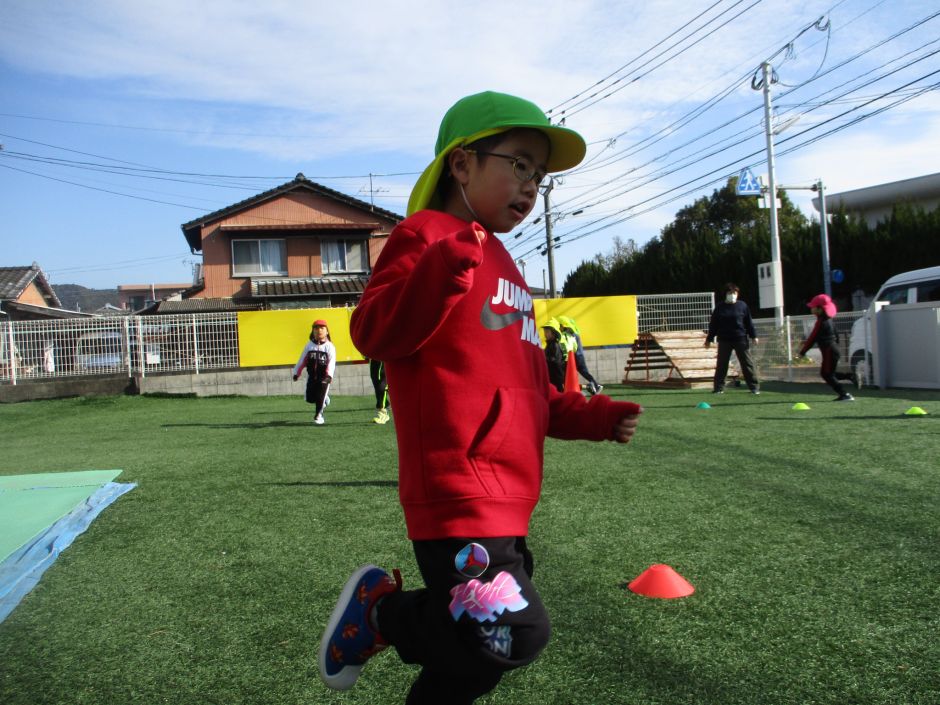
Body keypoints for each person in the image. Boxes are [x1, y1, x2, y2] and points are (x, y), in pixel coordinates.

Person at [319, 91, 643, 705]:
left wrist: (594, 416)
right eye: (519, 164)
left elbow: (530, 392)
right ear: (462, 164)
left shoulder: (507, 264)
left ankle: (387, 622)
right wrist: (439, 271)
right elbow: (373, 332)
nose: (531, 185)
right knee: (514, 633)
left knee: (475, 662)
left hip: (508, 497)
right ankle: (381, 615)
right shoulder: (425, 235)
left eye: (539, 175)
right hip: (457, 489)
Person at [797, 293, 859, 401]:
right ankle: (849, 376)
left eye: (813, 307)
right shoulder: (829, 320)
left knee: (826, 374)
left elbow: (812, 338)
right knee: (829, 373)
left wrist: (802, 352)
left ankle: (845, 394)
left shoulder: (821, 322)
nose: (811, 308)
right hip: (833, 349)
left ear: (820, 309)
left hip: (829, 350)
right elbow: (836, 334)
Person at [704, 282, 760, 394]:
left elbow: (748, 322)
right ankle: (718, 388)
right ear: (725, 294)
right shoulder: (719, 307)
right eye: (730, 293)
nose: (732, 295)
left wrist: (754, 336)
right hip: (724, 339)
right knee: (722, 364)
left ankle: (754, 387)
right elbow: (714, 324)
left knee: (747, 363)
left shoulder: (742, 306)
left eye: (735, 293)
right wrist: (709, 339)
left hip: (740, 338)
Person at [292, 319, 335, 424]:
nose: (319, 330)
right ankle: (325, 399)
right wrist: (297, 373)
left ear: (327, 331)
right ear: (313, 331)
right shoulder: (309, 345)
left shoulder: (329, 347)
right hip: (311, 376)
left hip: (324, 377)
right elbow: (302, 360)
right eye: (316, 328)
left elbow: (331, 363)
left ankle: (319, 415)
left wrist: (329, 376)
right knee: (310, 398)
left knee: (320, 396)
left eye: (322, 328)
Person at [558, 315, 602, 394]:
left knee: (583, 372)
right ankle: (592, 386)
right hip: (578, 356)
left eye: (560, 326)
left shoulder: (570, 335)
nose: (559, 328)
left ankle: (595, 385)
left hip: (577, 356)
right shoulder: (573, 334)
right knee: (579, 374)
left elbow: (570, 347)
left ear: (564, 326)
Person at [542, 318, 566, 392]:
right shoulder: (549, 344)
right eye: (544, 331)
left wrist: (544, 358)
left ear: (553, 333)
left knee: (559, 394)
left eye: (547, 332)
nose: (545, 334)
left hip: (556, 378)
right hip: (551, 376)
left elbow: (556, 361)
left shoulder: (555, 345)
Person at [369, 358, 391, 424]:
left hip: (384, 356)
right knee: (376, 380)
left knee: (382, 384)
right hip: (374, 358)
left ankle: (383, 413)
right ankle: (386, 406)